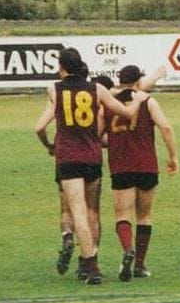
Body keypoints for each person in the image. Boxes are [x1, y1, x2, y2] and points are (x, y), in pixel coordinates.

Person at [35, 48, 147, 285]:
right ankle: (88, 262)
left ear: (62, 67)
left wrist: (49, 145)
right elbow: (126, 113)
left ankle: (92, 265)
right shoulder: (97, 89)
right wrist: (136, 99)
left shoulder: (54, 89)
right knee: (93, 211)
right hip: (92, 157)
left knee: (77, 212)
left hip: (68, 157)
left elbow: (39, 128)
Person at [51, 66, 167, 275]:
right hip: (137, 163)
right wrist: (154, 78)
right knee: (123, 214)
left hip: (74, 157)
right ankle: (136, 264)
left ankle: (74, 243)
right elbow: (135, 94)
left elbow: (97, 131)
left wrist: (50, 144)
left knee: (72, 209)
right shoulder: (112, 96)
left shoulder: (66, 94)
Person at [101, 65, 179, 280]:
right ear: (137, 82)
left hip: (121, 166)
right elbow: (166, 128)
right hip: (147, 165)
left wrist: (114, 141)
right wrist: (173, 157)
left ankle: (127, 249)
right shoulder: (147, 101)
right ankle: (140, 265)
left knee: (122, 214)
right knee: (144, 216)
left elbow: (98, 135)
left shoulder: (108, 102)